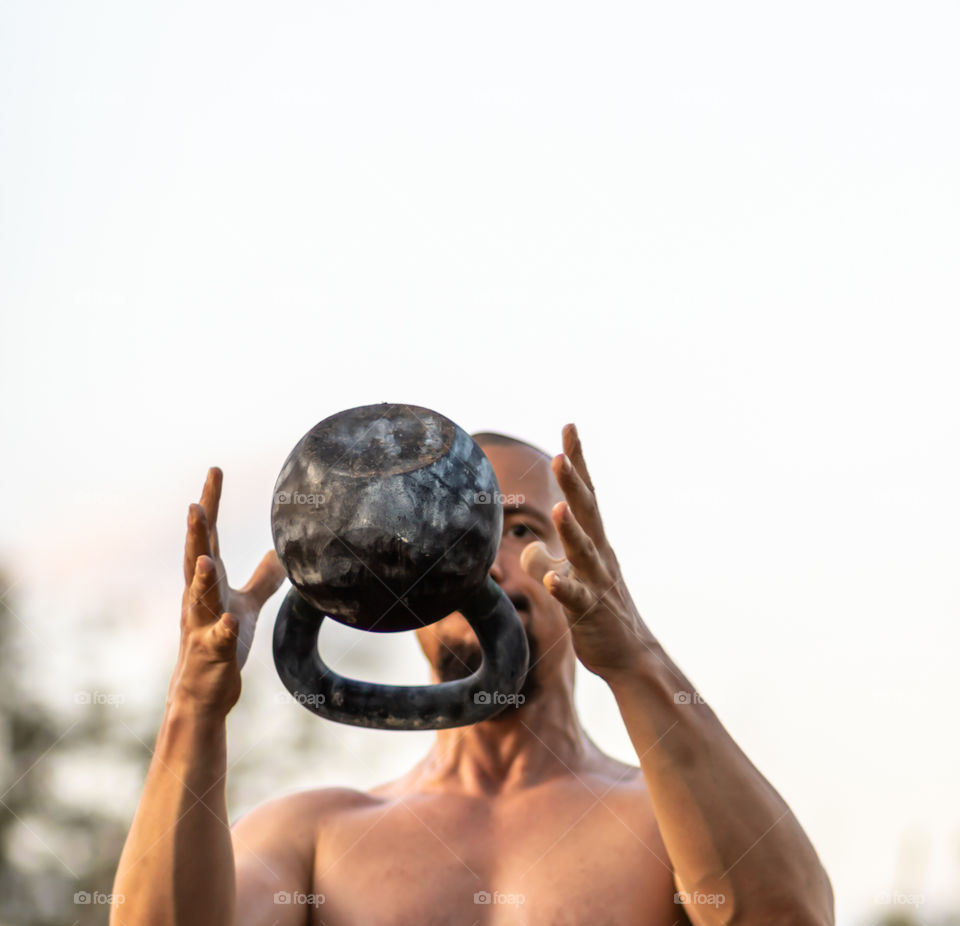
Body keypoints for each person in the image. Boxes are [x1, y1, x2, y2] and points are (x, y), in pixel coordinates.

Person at [111, 423, 834, 925]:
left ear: (583, 561)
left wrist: (636, 656)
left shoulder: (666, 824)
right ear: (399, 593)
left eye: (519, 529)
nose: (487, 560)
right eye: (453, 532)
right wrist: (193, 707)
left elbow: (787, 919)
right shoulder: (319, 837)